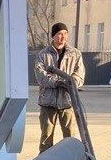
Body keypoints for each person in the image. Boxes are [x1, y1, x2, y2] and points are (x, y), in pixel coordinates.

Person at [34, 22, 85, 152]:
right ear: (53, 36)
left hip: (68, 101)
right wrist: (57, 82)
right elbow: (41, 76)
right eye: (60, 34)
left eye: (65, 33)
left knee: (70, 138)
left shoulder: (75, 54)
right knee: (46, 138)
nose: (63, 37)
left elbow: (79, 75)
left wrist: (70, 83)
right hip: (48, 102)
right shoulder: (43, 55)